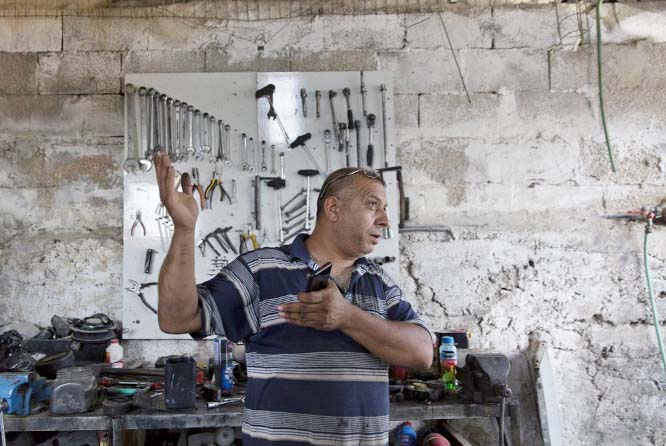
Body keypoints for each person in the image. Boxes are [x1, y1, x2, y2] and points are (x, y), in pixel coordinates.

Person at [153, 148, 434, 446]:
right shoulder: (262, 270)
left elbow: (422, 353)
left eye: (385, 208)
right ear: (334, 209)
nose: (385, 220)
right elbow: (175, 317)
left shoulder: (378, 281)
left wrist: (347, 317)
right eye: (372, 205)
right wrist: (184, 229)